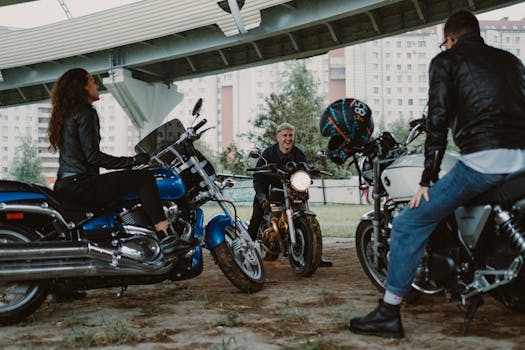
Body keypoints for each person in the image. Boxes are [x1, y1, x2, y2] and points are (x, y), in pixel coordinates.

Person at [349, 10, 525, 339]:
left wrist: (427, 179)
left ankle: (388, 313)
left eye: (444, 44)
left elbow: (438, 120)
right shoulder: (511, 61)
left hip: (483, 162)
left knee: (407, 223)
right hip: (521, 161)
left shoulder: (446, 61)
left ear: (450, 39)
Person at [48, 68, 198, 255]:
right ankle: (166, 236)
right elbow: (93, 157)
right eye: (91, 81)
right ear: (82, 87)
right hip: (82, 184)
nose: (96, 85)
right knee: (143, 178)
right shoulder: (85, 112)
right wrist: (133, 161)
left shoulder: (67, 114)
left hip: (67, 183)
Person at [247, 122, 333, 267]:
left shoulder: (298, 153)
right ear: (278, 137)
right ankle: (246, 251)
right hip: (269, 189)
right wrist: (262, 197)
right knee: (256, 217)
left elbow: (304, 169)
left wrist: (310, 171)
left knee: (306, 216)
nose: (288, 138)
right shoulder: (268, 154)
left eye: (290, 135)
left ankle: (314, 254)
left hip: (292, 189)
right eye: (285, 135)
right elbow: (257, 177)